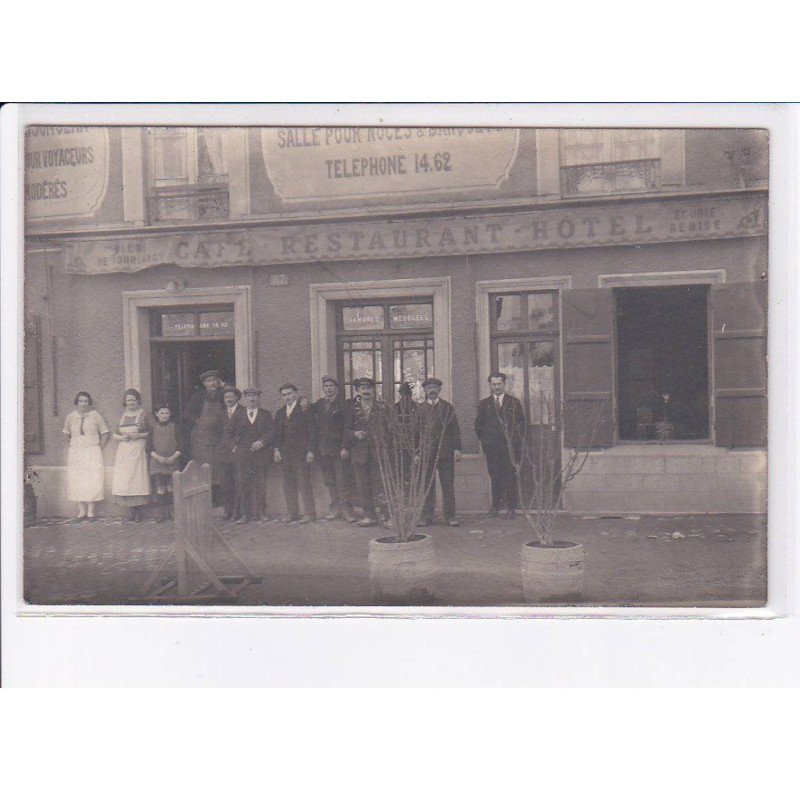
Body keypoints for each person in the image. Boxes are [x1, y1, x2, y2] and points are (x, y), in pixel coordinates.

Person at [474, 372, 526, 519]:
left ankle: (511, 508)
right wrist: (485, 440)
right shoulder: (484, 404)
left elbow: (521, 423)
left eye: (499, 384)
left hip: (509, 448)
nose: (496, 387)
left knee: (510, 476)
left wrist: (515, 441)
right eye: (493, 384)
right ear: (490, 386)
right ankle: (495, 507)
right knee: (495, 476)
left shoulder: (514, 402)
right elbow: (478, 425)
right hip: (492, 448)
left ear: (504, 384)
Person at [342, 376, 390, 527]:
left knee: (381, 485)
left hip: (378, 453)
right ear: (358, 391)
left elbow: (390, 429)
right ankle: (370, 516)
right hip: (359, 453)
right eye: (362, 388)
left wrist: (383, 439)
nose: (366, 391)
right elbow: (346, 430)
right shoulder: (352, 409)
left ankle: (387, 517)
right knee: (363, 486)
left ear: (373, 390)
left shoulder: (382, 407)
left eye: (368, 388)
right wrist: (354, 434)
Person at [309, 376, 356, 523]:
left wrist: (345, 447)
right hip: (323, 450)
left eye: (331, 386)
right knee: (329, 481)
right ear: (323, 388)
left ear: (336, 388)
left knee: (342, 482)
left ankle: (347, 511)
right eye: (326, 386)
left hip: (339, 450)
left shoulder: (344, 405)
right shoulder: (319, 404)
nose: (328, 388)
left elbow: (347, 427)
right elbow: (307, 409)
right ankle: (336, 509)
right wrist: (303, 399)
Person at [417, 378, 462, 527]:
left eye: (434, 387)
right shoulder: (419, 409)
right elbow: (415, 433)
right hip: (426, 453)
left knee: (447, 485)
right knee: (426, 486)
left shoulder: (447, 408)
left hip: (445, 452)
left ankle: (450, 516)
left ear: (439, 390)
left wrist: (457, 449)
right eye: (429, 387)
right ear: (424, 390)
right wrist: (416, 453)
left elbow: (455, 430)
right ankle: (427, 516)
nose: (432, 390)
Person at [62, 391, 110, 522]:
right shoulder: (71, 417)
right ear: (76, 402)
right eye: (80, 401)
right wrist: (75, 446)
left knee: (92, 479)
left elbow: (105, 433)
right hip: (76, 452)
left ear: (89, 403)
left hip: (92, 452)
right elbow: (66, 435)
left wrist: (98, 448)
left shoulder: (95, 416)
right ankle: (81, 512)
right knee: (77, 479)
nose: (83, 403)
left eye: (86, 401)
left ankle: (91, 512)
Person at [274, 383, 317, 524]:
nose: (287, 397)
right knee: (288, 484)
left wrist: (311, 450)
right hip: (286, 455)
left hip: (301, 453)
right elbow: (277, 435)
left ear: (296, 393)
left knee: (304, 483)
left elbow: (312, 432)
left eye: (289, 393)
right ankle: (293, 513)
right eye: (284, 395)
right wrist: (276, 450)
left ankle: (310, 513)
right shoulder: (280, 413)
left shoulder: (305, 409)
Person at [232, 388, 275, 524]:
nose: (252, 399)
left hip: (260, 454)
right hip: (243, 455)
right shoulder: (238, 414)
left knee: (260, 484)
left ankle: (261, 513)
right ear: (244, 398)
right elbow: (229, 432)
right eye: (249, 396)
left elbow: (272, 431)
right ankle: (245, 514)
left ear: (258, 398)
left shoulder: (266, 414)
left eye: (255, 396)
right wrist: (234, 447)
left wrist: (262, 442)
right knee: (243, 484)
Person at [184, 368, 224, 500]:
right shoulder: (198, 397)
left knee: (218, 468)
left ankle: (218, 498)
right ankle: (204, 498)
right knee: (202, 467)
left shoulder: (224, 394)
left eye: (214, 380)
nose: (212, 383)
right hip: (200, 439)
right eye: (209, 381)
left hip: (218, 437)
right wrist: (198, 421)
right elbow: (187, 413)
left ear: (218, 381)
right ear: (204, 384)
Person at [112, 388, 152, 522]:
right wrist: (121, 438)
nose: (131, 402)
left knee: (137, 478)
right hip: (124, 450)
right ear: (125, 402)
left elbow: (152, 432)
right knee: (126, 479)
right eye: (128, 400)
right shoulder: (122, 415)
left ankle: (139, 511)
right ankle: (131, 510)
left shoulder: (144, 414)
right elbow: (114, 434)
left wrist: (139, 435)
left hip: (139, 448)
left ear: (138, 401)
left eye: (133, 400)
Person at [148, 403, 183, 522]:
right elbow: (148, 447)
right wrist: (157, 457)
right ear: (157, 414)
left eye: (167, 413)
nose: (164, 415)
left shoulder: (174, 427)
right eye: (162, 413)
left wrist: (174, 457)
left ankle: (172, 511)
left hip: (172, 461)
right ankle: (161, 512)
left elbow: (182, 445)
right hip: (158, 462)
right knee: (160, 487)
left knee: (171, 486)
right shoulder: (153, 428)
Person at [217, 385, 245, 520]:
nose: (228, 399)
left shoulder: (243, 412)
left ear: (237, 398)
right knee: (225, 483)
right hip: (224, 454)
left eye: (231, 397)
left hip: (237, 452)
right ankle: (228, 511)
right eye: (226, 397)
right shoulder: (221, 413)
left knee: (238, 482)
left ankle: (237, 512)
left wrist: (236, 445)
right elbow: (217, 433)